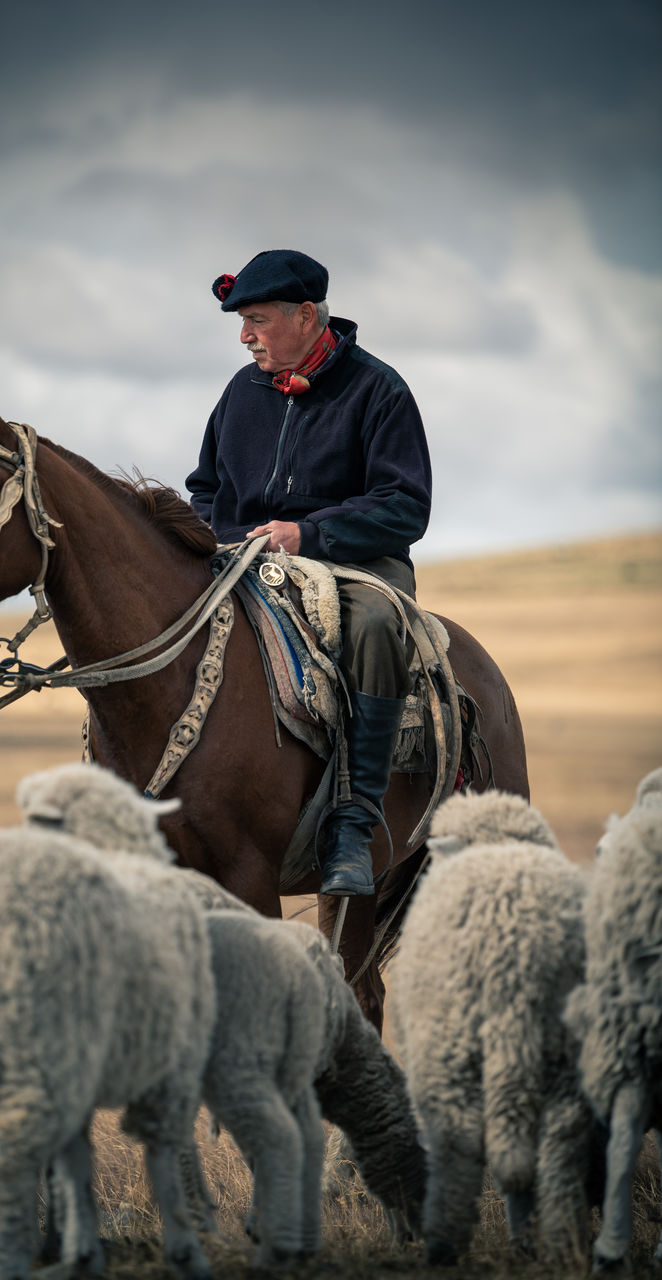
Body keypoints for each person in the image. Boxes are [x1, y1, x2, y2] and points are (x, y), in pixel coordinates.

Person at [186, 249, 432, 897]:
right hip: (245, 559)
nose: (244, 337)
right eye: (241, 322)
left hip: (354, 563)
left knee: (378, 625)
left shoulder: (379, 390)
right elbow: (205, 487)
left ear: (305, 316)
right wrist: (222, 537)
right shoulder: (241, 392)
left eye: (257, 320)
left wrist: (309, 535)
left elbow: (405, 506)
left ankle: (353, 820)